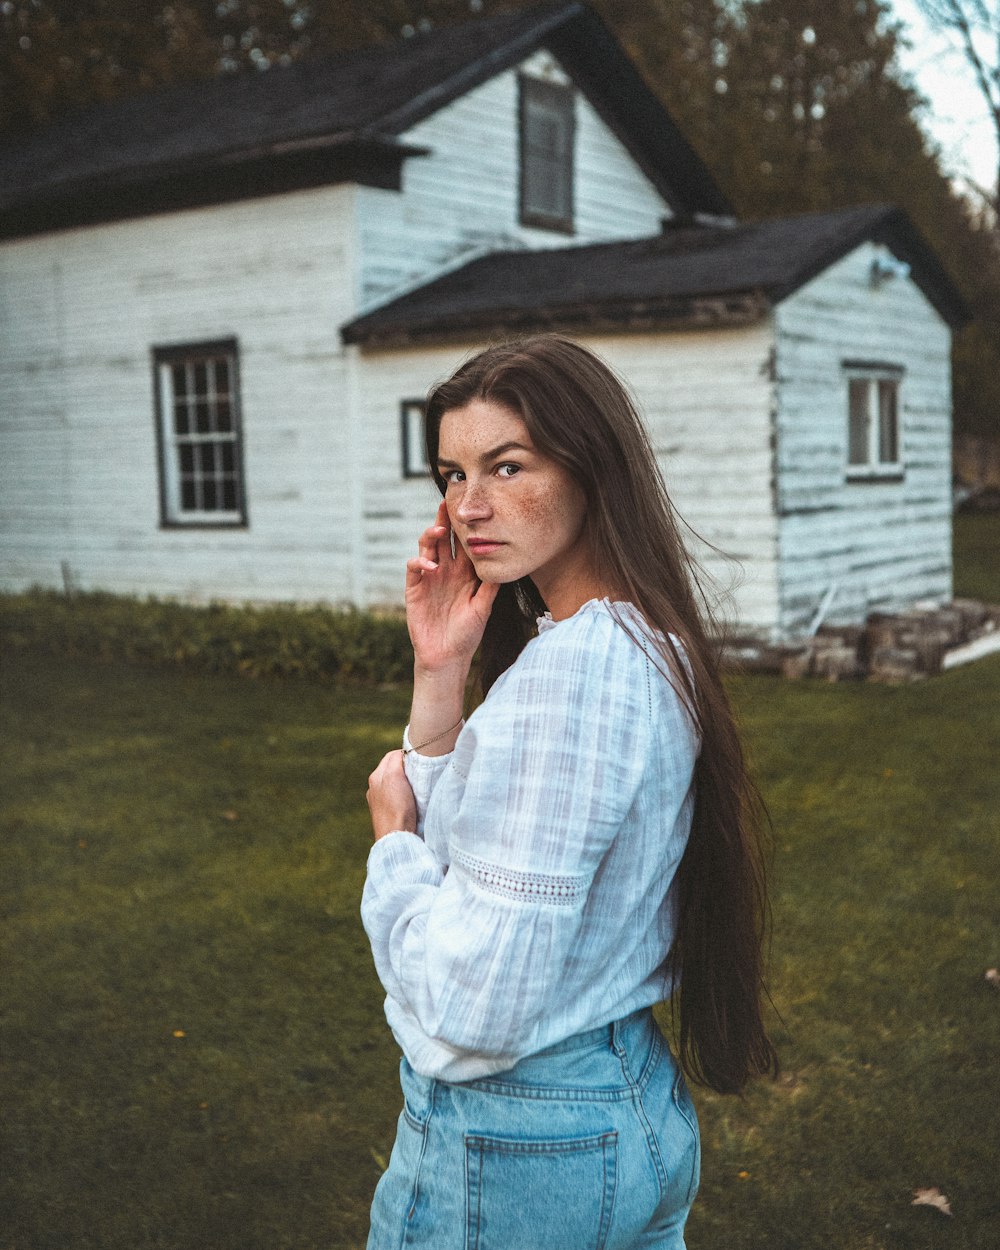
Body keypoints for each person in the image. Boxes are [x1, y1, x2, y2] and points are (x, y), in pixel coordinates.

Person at [361, 335, 777, 1249]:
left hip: (521, 1140)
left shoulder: (576, 674)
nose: (470, 507)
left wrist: (392, 848)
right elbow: (487, 849)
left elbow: (476, 1008)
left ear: (592, 464)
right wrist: (441, 671)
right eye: (452, 473)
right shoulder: (642, 642)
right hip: (624, 1104)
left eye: (507, 467)